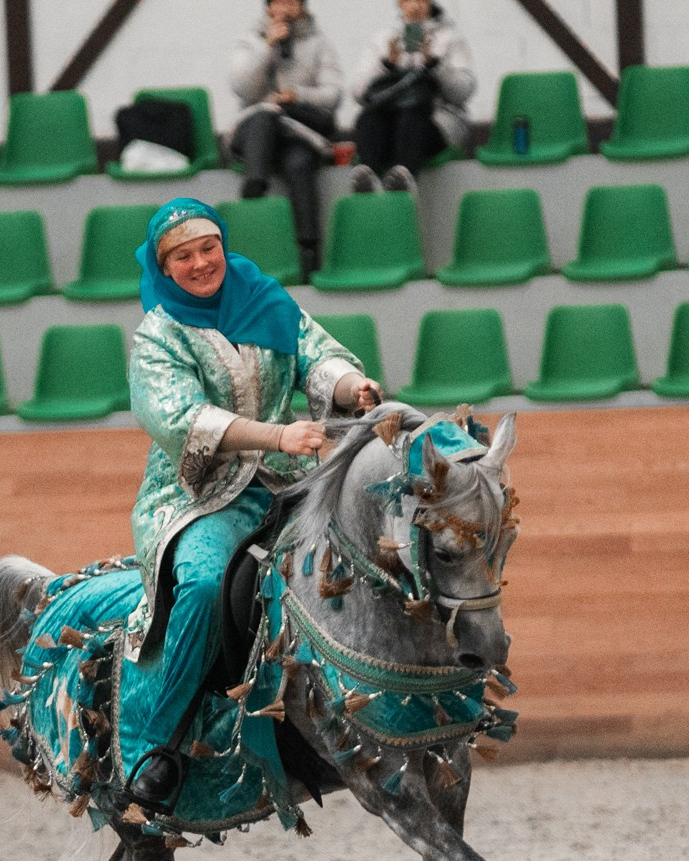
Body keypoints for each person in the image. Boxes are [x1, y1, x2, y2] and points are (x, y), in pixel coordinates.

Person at [120, 198, 382, 813]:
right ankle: (161, 747)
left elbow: (319, 357)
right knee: (204, 585)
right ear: (163, 267)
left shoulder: (263, 296)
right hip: (199, 495)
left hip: (287, 481)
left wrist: (354, 387)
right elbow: (180, 418)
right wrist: (276, 436)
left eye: (208, 247)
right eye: (183, 256)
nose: (200, 263)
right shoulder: (158, 335)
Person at [228, 0, 343, 279]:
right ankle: (255, 187)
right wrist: (267, 47)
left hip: (297, 130)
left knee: (299, 163)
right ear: (269, 9)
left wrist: (298, 95)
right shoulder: (250, 40)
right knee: (266, 115)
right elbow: (242, 87)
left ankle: (309, 251)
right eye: (281, 2)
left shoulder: (318, 43)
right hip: (255, 128)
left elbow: (333, 94)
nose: (288, 7)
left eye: (294, 2)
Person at [348, 0, 476, 193]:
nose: (415, 6)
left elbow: (463, 92)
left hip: (435, 121)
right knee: (369, 118)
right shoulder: (384, 39)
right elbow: (358, 92)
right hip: (389, 119)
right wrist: (386, 65)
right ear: (400, 4)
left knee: (411, 117)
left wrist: (434, 65)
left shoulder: (451, 39)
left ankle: (403, 182)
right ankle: (368, 182)